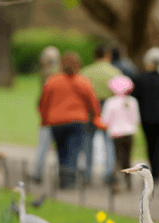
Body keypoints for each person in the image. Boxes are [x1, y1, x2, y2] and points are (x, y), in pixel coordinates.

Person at [39, 52, 106, 189]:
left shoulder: (52, 81)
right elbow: (93, 102)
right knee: (73, 151)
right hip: (77, 121)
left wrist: (44, 120)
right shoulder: (83, 81)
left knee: (61, 150)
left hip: (56, 122)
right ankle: (69, 180)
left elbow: (44, 102)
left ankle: (64, 178)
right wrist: (96, 117)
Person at [80, 45, 122, 185]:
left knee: (88, 141)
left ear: (95, 56)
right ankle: (108, 173)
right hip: (109, 108)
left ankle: (87, 174)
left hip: (90, 109)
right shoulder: (115, 72)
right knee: (108, 142)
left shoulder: (86, 72)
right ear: (108, 56)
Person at [132, 47, 159, 185]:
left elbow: (136, 97)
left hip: (147, 118)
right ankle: (157, 173)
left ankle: (153, 172)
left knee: (150, 145)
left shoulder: (141, 79)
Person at [101, 75, 139, 193]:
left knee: (117, 158)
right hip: (129, 133)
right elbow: (136, 119)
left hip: (116, 133)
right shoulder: (132, 101)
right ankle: (128, 183)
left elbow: (105, 120)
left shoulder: (110, 102)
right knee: (127, 158)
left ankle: (116, 182)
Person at [30, 46, 62, 184]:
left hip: (49, 114)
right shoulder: (58, 74)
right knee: (59, 147)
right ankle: (60, 174)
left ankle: (38, 173)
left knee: (43, 145)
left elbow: (44, 98)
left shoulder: (46, 74)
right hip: (58, 114)